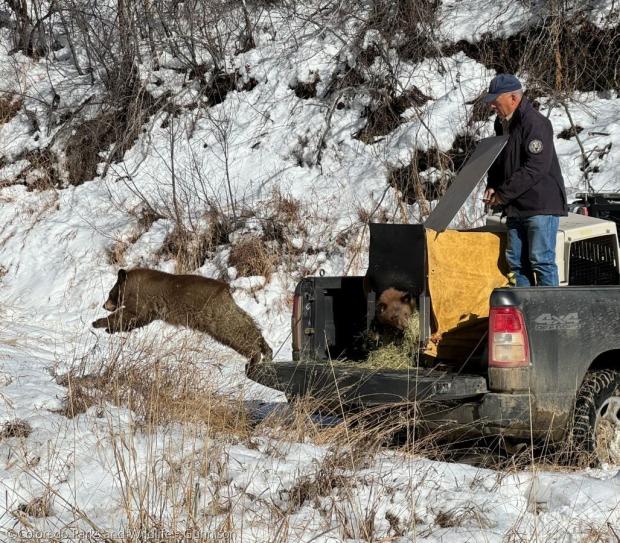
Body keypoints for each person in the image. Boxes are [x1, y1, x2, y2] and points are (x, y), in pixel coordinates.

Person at [483, 73, 568, 286]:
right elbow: (498, 161)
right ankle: (526, 313)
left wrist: (503, 193)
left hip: (540, 205)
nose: (492, 105)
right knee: (517, 263)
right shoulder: (501, 125)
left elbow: (536, 167)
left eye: (496, 100)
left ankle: (550, 315)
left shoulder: (536, 124)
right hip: (515, 205)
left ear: (513, 98)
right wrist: (493, 186)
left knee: (541, 261)